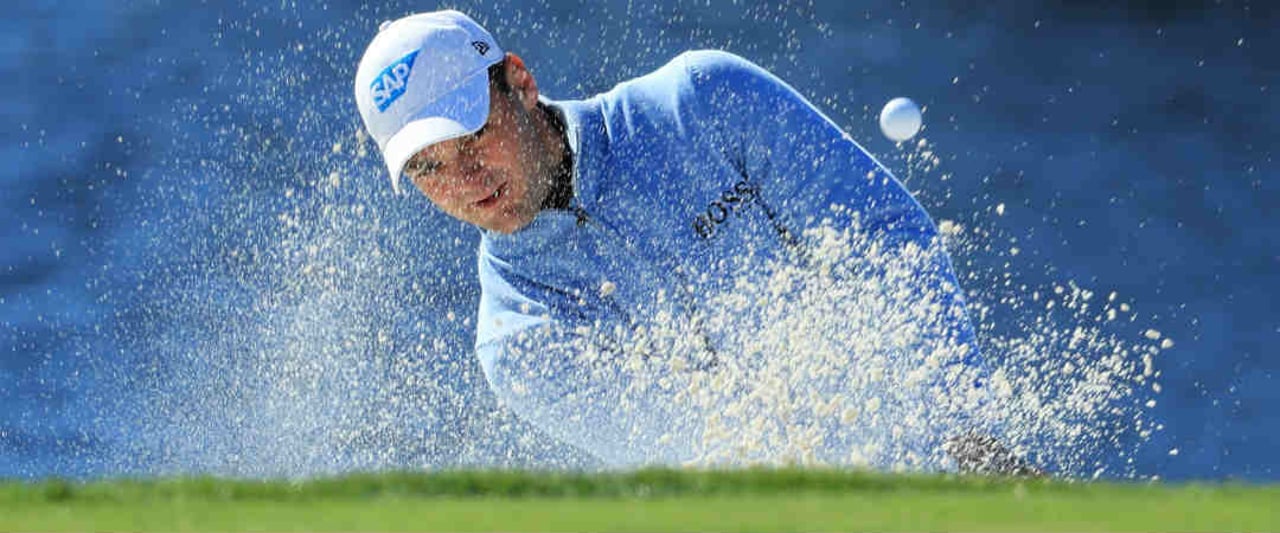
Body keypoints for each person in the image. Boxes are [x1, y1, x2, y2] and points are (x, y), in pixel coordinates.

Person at [354, 10, 1037, 473]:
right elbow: (714, 456)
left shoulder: (702, 100)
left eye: (472, 136)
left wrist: (967, 437)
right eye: (427, 168)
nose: (464, 179)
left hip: (948, 445)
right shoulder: (518, 339)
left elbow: (887, 241)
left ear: (521, 83)